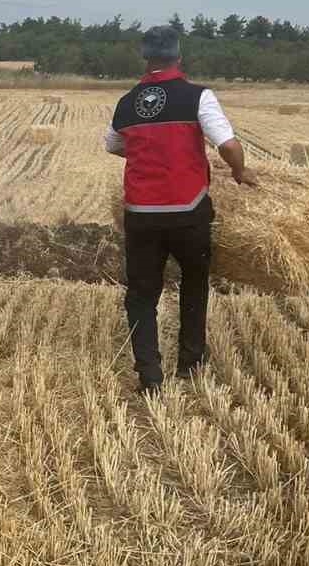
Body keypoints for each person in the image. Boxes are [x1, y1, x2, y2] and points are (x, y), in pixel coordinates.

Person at [105, 25, 256, 395]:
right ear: (179, 56)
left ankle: (150, 376)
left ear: (145, 57)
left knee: (141, 293)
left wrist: (147, 151)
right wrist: (239, 171)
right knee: (193, 284)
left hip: (141, 214)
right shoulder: (197, 96)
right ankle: (190, 363)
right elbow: (229, 145)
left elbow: (112, 145)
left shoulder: (127, 102)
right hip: (188, 212)